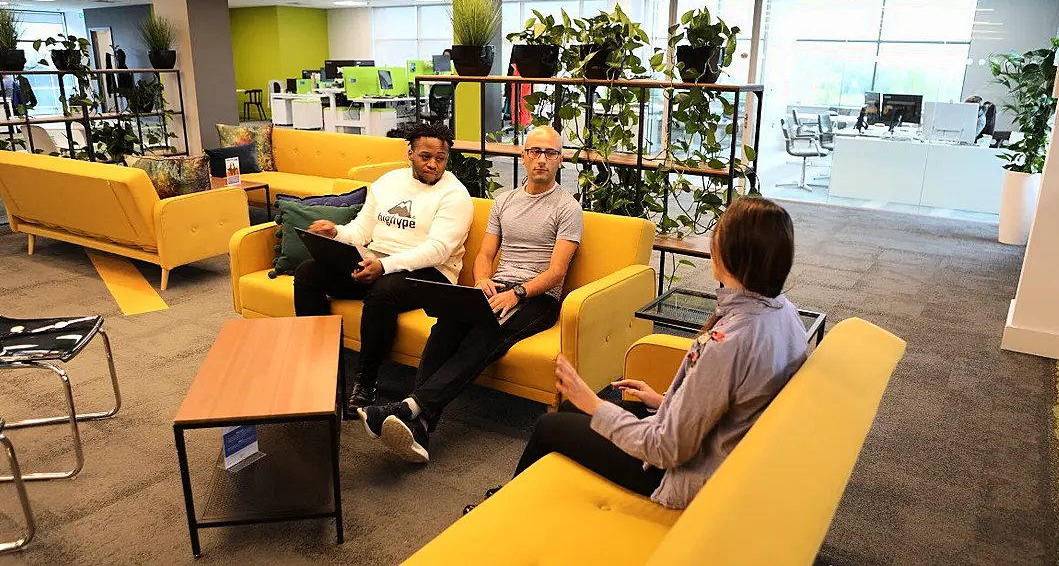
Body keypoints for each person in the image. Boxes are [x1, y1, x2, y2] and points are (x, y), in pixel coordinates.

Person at [467, 197, 808, 512]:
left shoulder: (728, 341)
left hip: (674, 474)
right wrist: (663, 401)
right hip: (704, 448)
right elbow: (733, 402)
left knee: (549, 424)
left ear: (730, 254)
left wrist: (594, 403)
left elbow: (665, 449)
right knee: (573, 407)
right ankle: (532, 499)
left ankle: (506, 508)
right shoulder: (784, 313)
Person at [360, 125, 583, 464]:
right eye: (535, 151)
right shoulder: (505, 201)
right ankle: (419, 427)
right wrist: (481, 280)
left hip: (538, 300)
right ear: (523, 156)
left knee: (484, 334)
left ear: (560, 160)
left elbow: (556, 272)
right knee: (447, 323)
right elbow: (484, 255)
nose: (542, 159)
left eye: (550, 153)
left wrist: (518, 293)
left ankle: (409, 407)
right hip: (498, 288)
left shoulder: (567, 208)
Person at [294, 122, 474, 413]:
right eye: (425, 156)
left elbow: (438, 250)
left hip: (432, 273)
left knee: (383, 291)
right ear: (410, 153)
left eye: (440, 158)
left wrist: (384, 265)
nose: (433, 164)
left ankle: (366, 380)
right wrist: (336, 233)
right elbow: (361, 232)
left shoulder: (455, 194)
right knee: (307, 273)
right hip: (379, 260)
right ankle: (319, 365)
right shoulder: (388, 182)